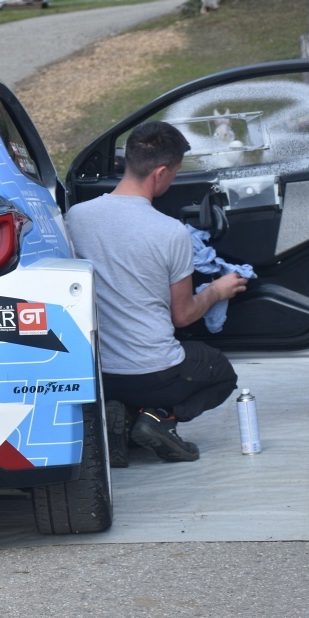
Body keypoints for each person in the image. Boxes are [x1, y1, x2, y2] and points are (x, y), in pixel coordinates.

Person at [64, 120, 248, 466]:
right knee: (221, 373)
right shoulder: (171, 232)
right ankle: (158, 419)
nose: (173, 180)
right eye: (175, 174)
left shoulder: (76, 217)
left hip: (97, 375)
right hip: (155, 375)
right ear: (160, 173)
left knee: (129, 387)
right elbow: (183, 315)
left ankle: (119, 416)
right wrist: (217, 290)